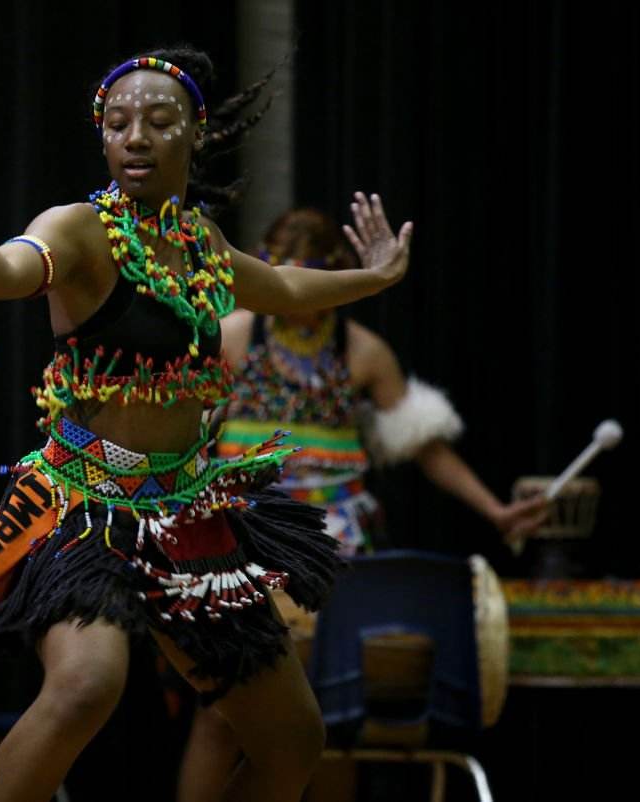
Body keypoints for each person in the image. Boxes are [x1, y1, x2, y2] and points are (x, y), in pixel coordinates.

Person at [0, 47, 413, 801]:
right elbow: (2, 272)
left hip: (188, 512)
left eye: (159, 121)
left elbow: (283, 285)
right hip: (84, 506)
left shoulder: (201, 245)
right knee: (87, 685)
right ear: (101, 138)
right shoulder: (77, 231)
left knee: (292, 739)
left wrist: (377, 275)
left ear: (195, 134)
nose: (135, 136)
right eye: (118, 122)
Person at [176, 207, 549, 801]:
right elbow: (182, 430)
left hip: (336, 549)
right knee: (220, 711)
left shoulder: (365, 351)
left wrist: (495, 510)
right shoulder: (236, 335)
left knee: (328, 708)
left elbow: (424, 446)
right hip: (243, 542)